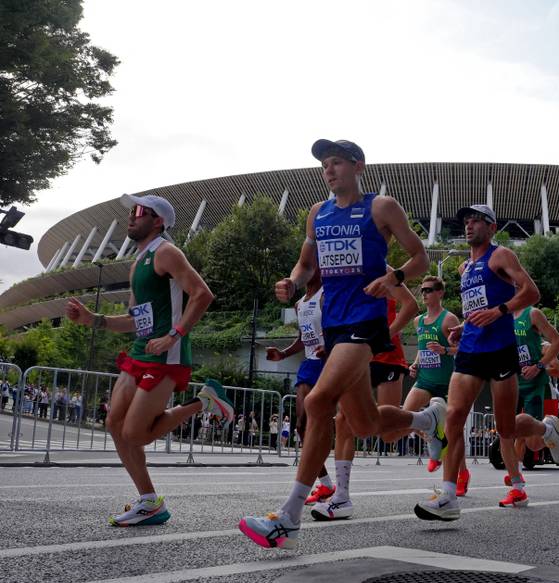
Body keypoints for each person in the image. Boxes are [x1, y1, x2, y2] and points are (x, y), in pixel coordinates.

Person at [239, 139, 438, 549]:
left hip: (364, 321)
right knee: (366, 424)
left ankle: (289, 516)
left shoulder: (381, 207)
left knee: (316, 402)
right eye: (324, 165)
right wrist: (293, 281)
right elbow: (306, 262)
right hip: (333, 326)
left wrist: (395, 278)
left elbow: (421, 257)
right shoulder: (318, 213)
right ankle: (426, 421)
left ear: (358, 166)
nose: (329, 171)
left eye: (336, 163)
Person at [65, 193, 231, 526]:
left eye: (139, 211)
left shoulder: (166, 252)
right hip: (141, 351)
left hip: (166, 355)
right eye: (132, 211)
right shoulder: (138, 261)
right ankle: (149, 502)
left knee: (136, 434)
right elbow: (134, 320)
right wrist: (92, 319)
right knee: (114, 424)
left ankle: (204, 402)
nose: (131, 217)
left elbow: (203, 294)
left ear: (158, 221)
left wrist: (175, 335)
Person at [414, 204, 559, 522]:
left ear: (492, 226)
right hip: (471, 350)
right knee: (455, 417)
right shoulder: (463, 268)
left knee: (505, 428)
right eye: (466, 221)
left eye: (476, 221)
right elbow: (477, 309)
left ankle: (548, 428)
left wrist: (499, 311)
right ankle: (448, 496)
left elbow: (531, 292)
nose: (469, 226)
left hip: (501, 350)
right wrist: (464, 327)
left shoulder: (500, 257)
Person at [311, 276, 419, 521]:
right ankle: (341, 497)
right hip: (356, 355)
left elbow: (411, 306)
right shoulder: (337, 273)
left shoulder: (380, 268)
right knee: (343, 422)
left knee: (388, 433)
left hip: (387, 357)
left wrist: (384, 336)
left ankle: (426, 420)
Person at [266, 270, 337, 503]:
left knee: (336, 424)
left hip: (330, 363)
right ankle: (325, 484)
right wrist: (282, 354)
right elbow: (303, 338)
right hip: (309, 364)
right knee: (301, 427)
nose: (305, 271)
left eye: (311, 266)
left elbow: (338, 330)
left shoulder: (328, 295)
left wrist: (331, 346)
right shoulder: (299, 304)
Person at [399, 275, 471, 492]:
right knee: (405, 417)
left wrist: (446, 350)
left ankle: (462, 473)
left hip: (447, 382)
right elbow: (423, 348)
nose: (424, 294)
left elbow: (467, 346)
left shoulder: (448, 319)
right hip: (425, 380)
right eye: (422, 290)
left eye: (429, 290)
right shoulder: (418, 321)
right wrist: (416, 363)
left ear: (440, 293)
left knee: (453, 432)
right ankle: (433, 438)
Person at [498, 304, 559, 508]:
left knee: (532, 443)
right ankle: (517, 486)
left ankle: (548, 429)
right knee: (505, 431)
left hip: (533, 385)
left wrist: (539, 366)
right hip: (509, 380)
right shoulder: (500, 314)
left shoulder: (532, 314)